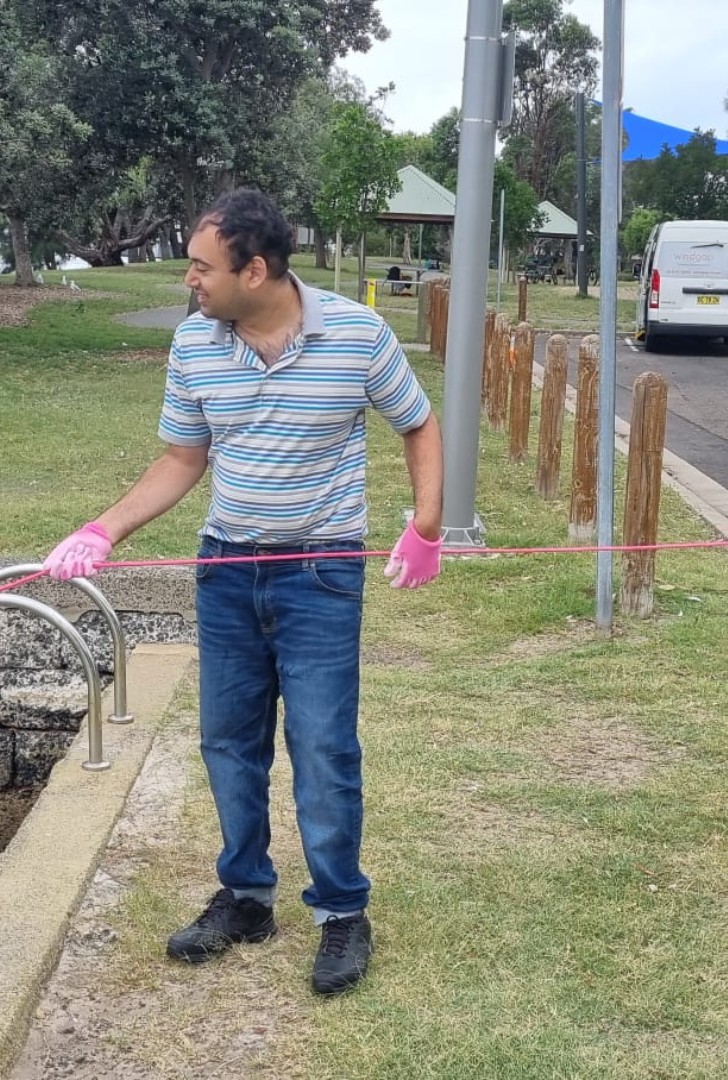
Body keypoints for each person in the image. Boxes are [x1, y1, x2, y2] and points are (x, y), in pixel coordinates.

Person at [43, 189, 444, 996]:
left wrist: (425, 526)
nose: (189, 280)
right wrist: (103, 529)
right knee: (229, 743)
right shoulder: (195, 343)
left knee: (325, 749)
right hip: (226, 570)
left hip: (321, 573)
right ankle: (247, 898)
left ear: (253, 270)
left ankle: (340, 914)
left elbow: (418, 423)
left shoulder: (356, 335)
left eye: (201, 266)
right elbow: (183, 458)